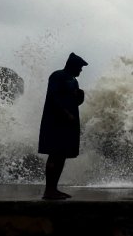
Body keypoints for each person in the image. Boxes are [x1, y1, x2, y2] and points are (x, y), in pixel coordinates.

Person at [38, 52, 88, 200]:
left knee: (61, 156)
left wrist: (80, 97)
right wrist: (66, 113)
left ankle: (54, 189)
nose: (81, 70)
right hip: (55, 122)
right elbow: (53, 97)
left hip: (68, 124)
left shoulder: (73, 80)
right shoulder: (57, 76)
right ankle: (49, 190)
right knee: (54, 154)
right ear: (72, 65)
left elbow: (74, 102)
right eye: (79, 67)